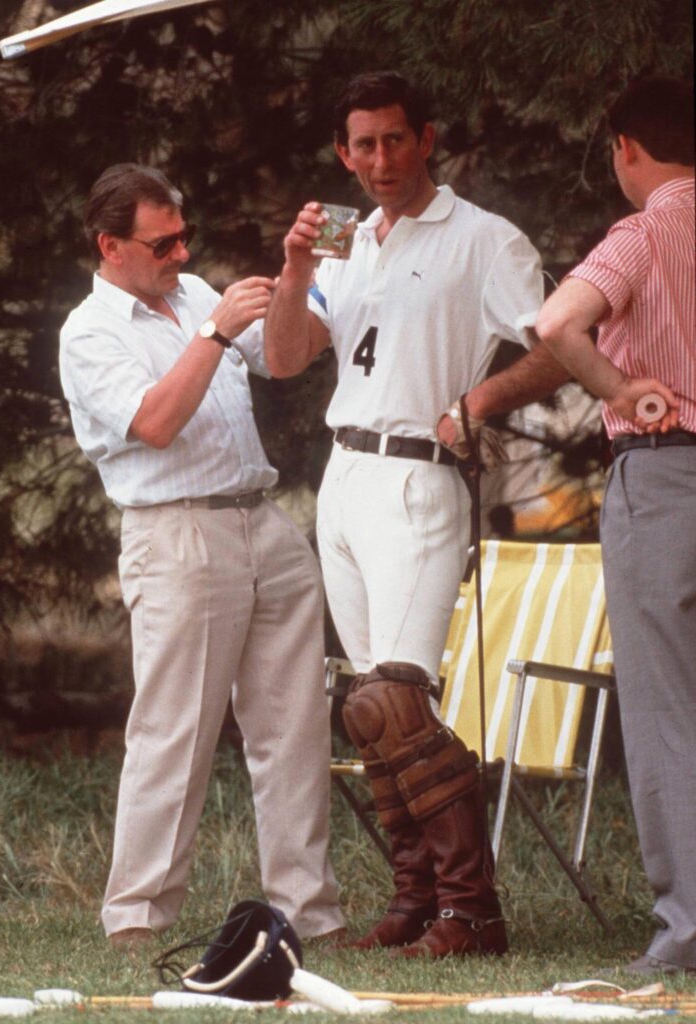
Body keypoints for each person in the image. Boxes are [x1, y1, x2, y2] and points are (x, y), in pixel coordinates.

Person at [264, 71, 567, 958]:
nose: (380, 159)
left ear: (426, 138)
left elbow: (558, 344)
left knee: (397, 700)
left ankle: (472, 909)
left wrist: (476, 402)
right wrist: (292, 267)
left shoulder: (484, 238)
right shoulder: (347, 242)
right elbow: (284, 358)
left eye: (396, 139)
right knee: (366, 708)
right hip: (345, 474)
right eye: (362, 144)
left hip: (421, 479)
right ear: (341, 153)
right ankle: (415, 896)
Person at [59, 163, 346, 949]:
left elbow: (286, 360)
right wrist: (215, 332)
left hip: (262, 520)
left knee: (294, 730)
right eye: (162, 243)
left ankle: (308, 914)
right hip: (176, 533)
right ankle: (137, 918)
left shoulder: (190, 293)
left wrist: (294, 274)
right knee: (174, 730)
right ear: (110, 245)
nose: (181, 254)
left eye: (184, 236)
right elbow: (154, 422)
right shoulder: (90, 330)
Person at [535, 76, 695, 975]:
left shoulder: (641, 233)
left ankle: (688, 930)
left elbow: (557, 323)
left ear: (624, 148)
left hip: (667, 475)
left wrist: (617, 387)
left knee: (669, 707)